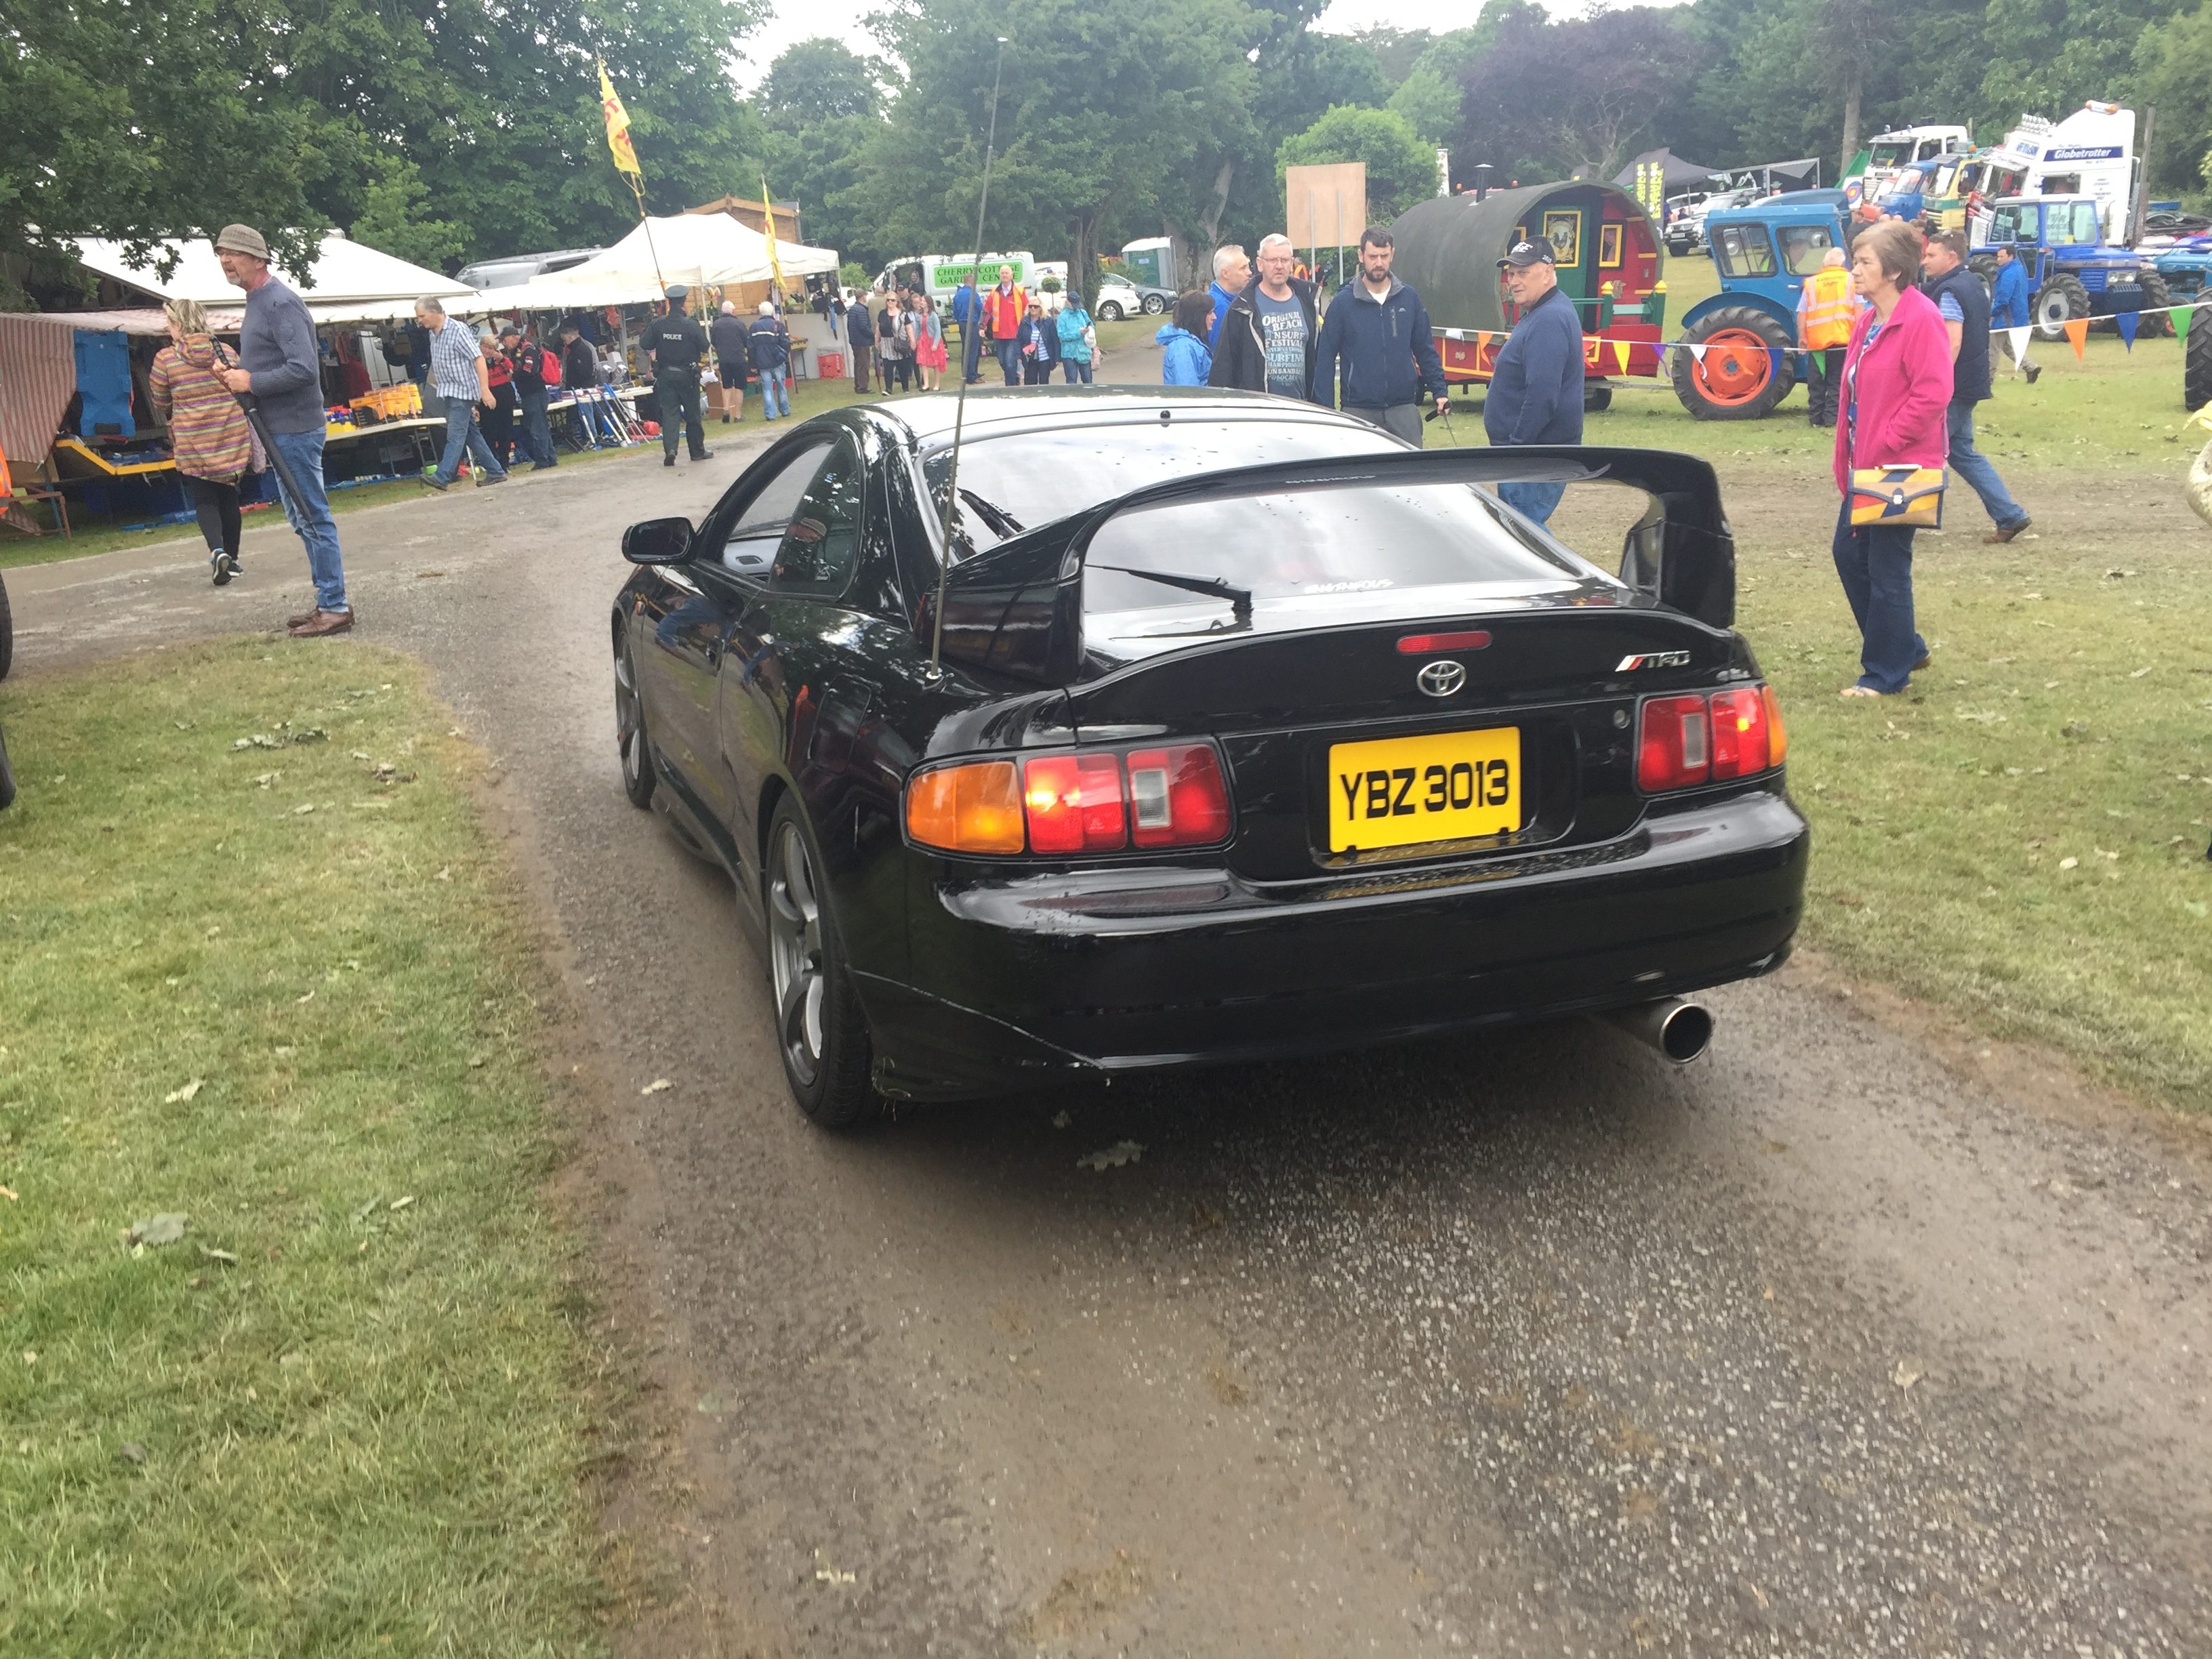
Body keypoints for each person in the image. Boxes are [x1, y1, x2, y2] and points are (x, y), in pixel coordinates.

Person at [212, 224, 352, 636]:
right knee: (302, 520)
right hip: (278, 428)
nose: (225, 260)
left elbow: (304, 369)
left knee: (314, 518)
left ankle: (335, 607)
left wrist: (250, 382)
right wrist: (240, 373)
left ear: (258, 258)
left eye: (233, 253)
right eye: (221, 253)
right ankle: (328, 601)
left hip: (294, 428)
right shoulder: (258, 301)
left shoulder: (279, 302)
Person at [1832, 217, 1950, 699]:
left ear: (1895, 270)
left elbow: (1933, 393)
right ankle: (1906, 646)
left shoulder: (1921, 318)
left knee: (1886, 569)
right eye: (1855, 262)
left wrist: (1886, 439)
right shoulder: (1867, 320)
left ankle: (1884, 673)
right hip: (1866, 465)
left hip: (1899, 468)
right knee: (1848, 554)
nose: (1854, 272)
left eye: (1864, 263)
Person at [1922, 228, 2030, 544]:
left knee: (1924, 448)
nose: (1925, 260)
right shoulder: (1972, 284)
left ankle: (1903, 516)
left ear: (1951, 257)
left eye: (1932, 255)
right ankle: (2010, 515)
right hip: (1969, 382)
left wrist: (1935, 382)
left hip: (1953, 386)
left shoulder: (1950, 291)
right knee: (1961, 453)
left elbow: (1951, 342)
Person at [149, 296, 257, 586]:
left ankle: (218, 551)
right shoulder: (227, 352)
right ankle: (230, 559)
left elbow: (159, 401)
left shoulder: (166, 359)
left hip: (194, 438)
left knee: (205, 499)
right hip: (230, 433)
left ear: (176, 324)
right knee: (229, 497)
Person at [1311, 226, 1450, 445]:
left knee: (1410, 477)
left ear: (1392, 254)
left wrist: (1440, 391)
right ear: (1361, 256)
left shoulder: (1409, 298)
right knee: (1361, 477)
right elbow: (1325, 358)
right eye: (1373, 256)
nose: (1379, 263)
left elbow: (1425, 349)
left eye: (1384, 256)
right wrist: (1327, 409)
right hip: (1358, 409)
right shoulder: (1343, 303)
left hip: (1403, 408)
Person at [1481, 239, 1580, 522]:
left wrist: (1516, 448)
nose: (1513, 281)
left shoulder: (1549, 319)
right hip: (1531, 458)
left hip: (1534, 460)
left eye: (1522, 273)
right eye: (1511, 274)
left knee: (1525, 536)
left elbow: (1542, 397)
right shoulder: (1542, 313)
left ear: (1548, 272)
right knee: (1522, 533)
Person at [1207, 232, 1319, 400]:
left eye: (1285, 260)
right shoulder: (1242, 308)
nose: (1279, 266)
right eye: (1272, 260)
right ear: (1260, 264)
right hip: (1258, 411)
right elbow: (1224, 366)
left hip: (1300, 410)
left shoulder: (1309, 303)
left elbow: (1316, 361)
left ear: (1291, 263)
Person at [417, 296, 508, 491]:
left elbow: (479, 359)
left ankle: (443, 476)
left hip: (462, 392)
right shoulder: (433, 334)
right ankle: (495, 471)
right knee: (471, 435)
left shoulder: (458, 330)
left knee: (455, 435)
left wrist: (485, 390)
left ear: (434, 312)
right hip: (448, 392)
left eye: (422, 316)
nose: (419, 320)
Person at [638, 285, 712, 467]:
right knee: (692, 414)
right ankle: (697, 451)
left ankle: (671, 450)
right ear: (684, 303)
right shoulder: (691, 325)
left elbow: (644, 343)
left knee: (670, 414)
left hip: (666, 375)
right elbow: (705, 346)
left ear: (669, 303)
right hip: (687, 375)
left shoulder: (658, 324)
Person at [1797, 245, 1858, 429]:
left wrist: (1802, 337)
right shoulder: (1851, 280)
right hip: (1842, 340)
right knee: (1837, 382)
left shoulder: (1812, 283)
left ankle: (1815, 418)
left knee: (1816, 381)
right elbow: (1860, 309)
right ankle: (1831, 419)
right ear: (1843, 263)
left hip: (1817, 342)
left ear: (1825, 263)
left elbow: (1802, 312)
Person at [504, 325, 558, 470]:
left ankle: (542, 461)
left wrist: (514, 376)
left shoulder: (528, 349)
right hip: (529, 394)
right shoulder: (516, 351)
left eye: (504, 340)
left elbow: (530, 370)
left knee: (537, 429)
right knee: (542, 428)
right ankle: (551, 459)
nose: (504, 343)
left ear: (512, 337)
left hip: (535, 393)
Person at [1990, 242, 2039, 383]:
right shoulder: (2019, 270)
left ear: (2010, 256)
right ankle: (2031, 367)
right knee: (2007, 346)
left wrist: (1992, 312)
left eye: (2001, 257)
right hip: (2016, 315)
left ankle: (1988, 378)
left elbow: (2004, 298)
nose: (1998, 260)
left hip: (2005, 317)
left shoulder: (2008, 274)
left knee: (1993, 347)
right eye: (1997, 257)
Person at [982, 264, 1026, 387]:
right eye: (1002, 273)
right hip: (999, 333)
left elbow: (1026, 310)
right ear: (1000, 275)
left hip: (1014, 333)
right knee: (1002, 362)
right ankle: (1014, 377)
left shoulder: (1020, 292)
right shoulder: (995, 292)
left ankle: (1010, 387)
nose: (1005, 275)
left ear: (1012, 275)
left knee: (1010, 362)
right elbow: (986, 310)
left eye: (1007, 273)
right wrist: (982, 326)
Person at [1158, 291, 1215, 385]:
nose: (1214, 317)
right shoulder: (1182, 348)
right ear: (1196, 316)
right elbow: (1188, 390)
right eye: (1210, 313)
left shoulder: (1192, 343)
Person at [747, 302, 792, 419]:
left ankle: (770, 414)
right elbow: (786, 343)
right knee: (781, 387)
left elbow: (750, 347)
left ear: (760, 312)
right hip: (777, 361)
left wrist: (752, 364)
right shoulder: (778, 325)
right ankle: (785, 410)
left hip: (762, 363)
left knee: (767, 389)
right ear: (772, 311)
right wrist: (783, 356)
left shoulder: (754, 327)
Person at [480, 331, 517, 467]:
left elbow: (512, 369)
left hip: (504, 397)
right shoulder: (477, 362)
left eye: (491, 348)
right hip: (486, 399)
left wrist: (501, 359)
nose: (488, 351)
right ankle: (492, 463)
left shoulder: (502, 360)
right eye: (485, 347)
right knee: (489, 432)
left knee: (505, 431)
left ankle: (505, 462)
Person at [710, 299, 750, 424]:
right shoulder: (739, 324)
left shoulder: (716, 324)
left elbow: (713, 341)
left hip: (724, 360)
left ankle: (726, 410)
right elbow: (746, 341)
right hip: (738, 359)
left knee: (726, 386)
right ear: (733, 311)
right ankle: (737, 415)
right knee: (739, 387)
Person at [1206, 245, 1252, 350]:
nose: (1249, 273)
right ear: (1226, 273)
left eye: (1248, 267)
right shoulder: (1218, 307)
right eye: (1243, 268)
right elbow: (1219, 353)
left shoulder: (1229, 301)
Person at [1055, 290, 1094, 384]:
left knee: (1087, 379)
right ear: (1068, 302)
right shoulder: (1062, 317)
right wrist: (1078, 333)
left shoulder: (1082, 312)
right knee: (1072, 381)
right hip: (1069, 354)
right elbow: (1062, 336)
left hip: (1083, 351)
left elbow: (1091, 325)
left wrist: (1089, 330)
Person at [1017, 299, 1058, 384]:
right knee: (1030, 384)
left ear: (1040, 308)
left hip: (1045, 358)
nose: (1033, 308)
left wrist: (1057, 357)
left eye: (1035, 306)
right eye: (1030, 306)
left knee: (1044, 383)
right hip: (1030, 358)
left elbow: (1055, 340)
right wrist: (1018, 356)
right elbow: (1019, 340)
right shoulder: (1024, 321)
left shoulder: (1048, 321)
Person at [951, 274, 983, 384]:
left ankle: (966, 374)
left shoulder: (958, 294)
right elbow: (980, 308)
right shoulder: (973, 294)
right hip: (972, 323)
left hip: (962, 323)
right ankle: (971, 376)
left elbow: (954, 311)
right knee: (973, 350)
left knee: (965, 348)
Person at [914, 294, 948, 390]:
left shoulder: (933, 315)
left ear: (929, 303)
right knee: (923, 363)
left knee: (936, 363)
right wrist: (916, 340)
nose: (922, 303)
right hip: (923, 341)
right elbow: (917, 329)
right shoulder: (919, 315)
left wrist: (935, 344)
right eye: (922, 301)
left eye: (924, 301)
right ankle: (926, 384)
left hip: (932, 340)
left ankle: (937, 384)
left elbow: (938, 331)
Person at [845, 292, 876, 393]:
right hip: (862, 341)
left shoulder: (853, 309)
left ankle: (858, 385)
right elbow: (863, 327)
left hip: (855, 340)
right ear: (863, 297)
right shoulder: (861, 310)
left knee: (858, 364)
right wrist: (873, 335)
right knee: (863, 364)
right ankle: (863, 387)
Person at [560, 324, 600, 394]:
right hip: (575, 389)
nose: (564, 343)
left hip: (583, 389)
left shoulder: (584, 348)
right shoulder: (572, 348)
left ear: (570, 336)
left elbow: (590, 371)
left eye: (564, 340)